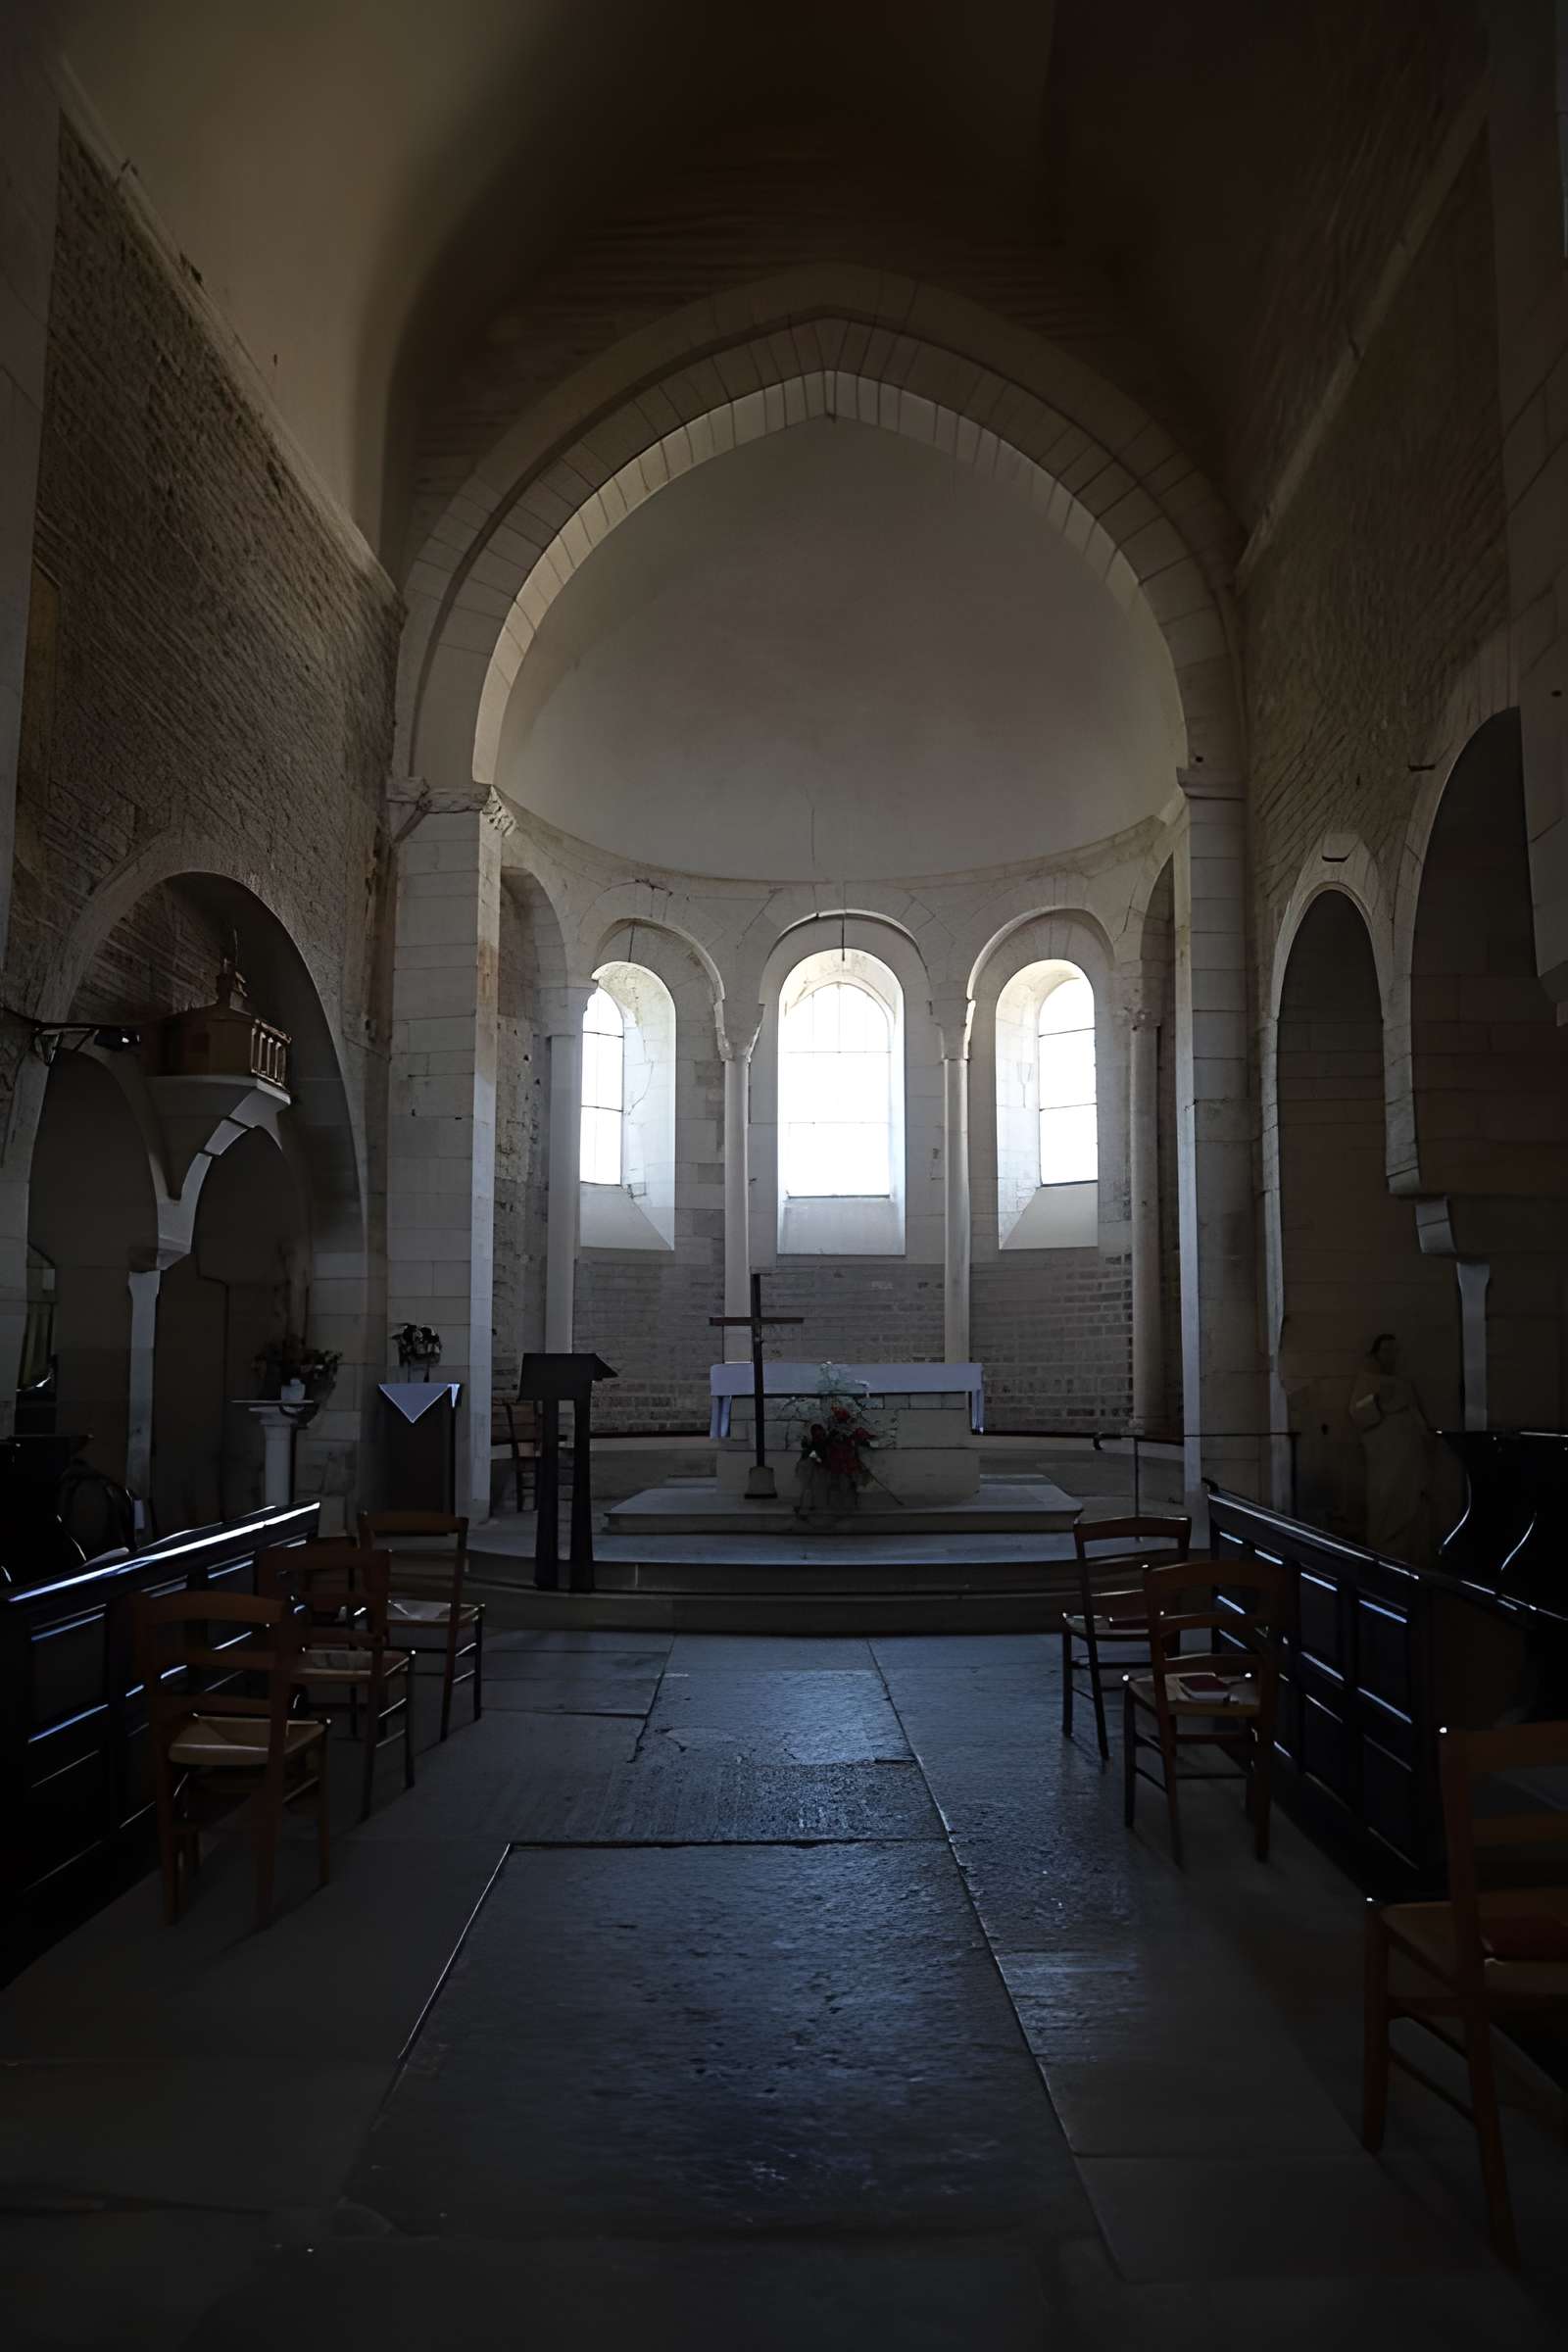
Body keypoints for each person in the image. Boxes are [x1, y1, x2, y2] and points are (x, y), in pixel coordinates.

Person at [1348, 1333, 1432, 1561]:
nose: (1390, 1357)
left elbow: (1415, 1414)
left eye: (1393, 1352)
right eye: (1385, 1351)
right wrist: (1376, 1400)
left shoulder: (1402, 1384)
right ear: (1375, 1354)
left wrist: (1422, 1437)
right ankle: (1385, 1553)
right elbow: (1357, 1413)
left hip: (1407, 1457)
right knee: (1385, 1505)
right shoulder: (1367, 1381)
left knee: (1408, 1504)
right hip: (1385, 1459)